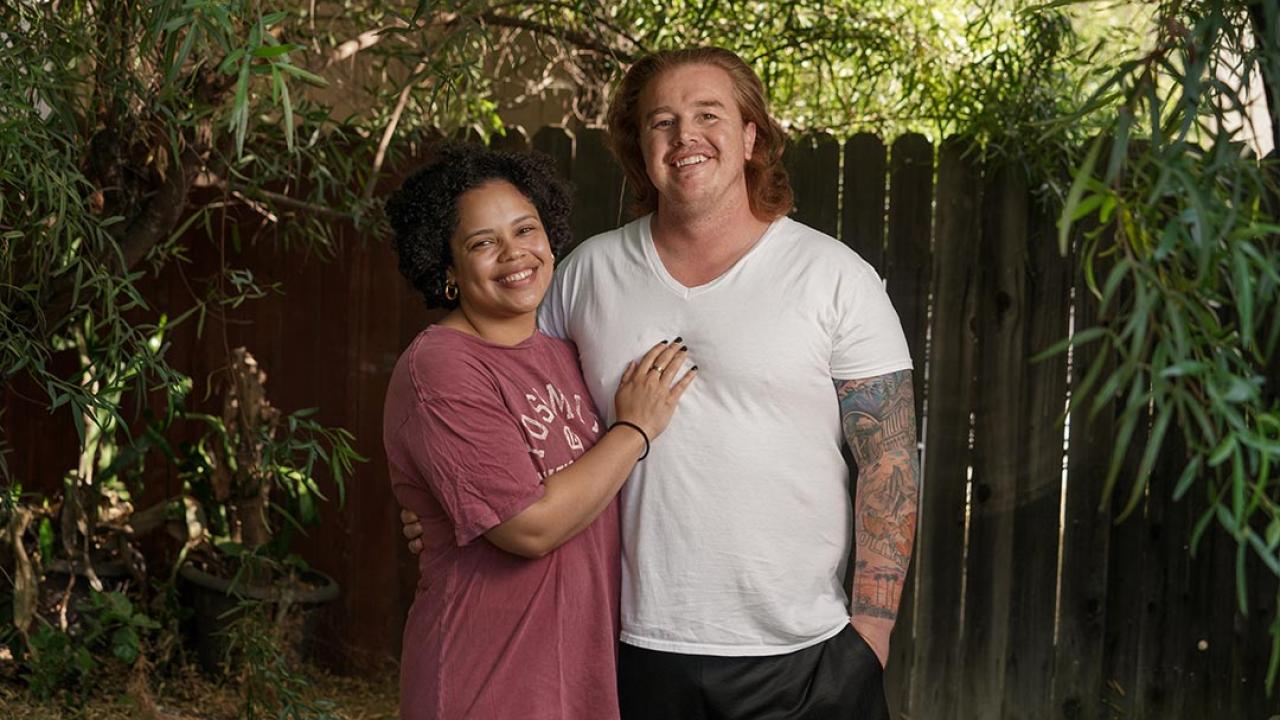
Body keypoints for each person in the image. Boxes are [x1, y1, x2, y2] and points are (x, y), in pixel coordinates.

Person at [403, 47, 919, 719]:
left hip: (804, 655)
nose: (685, 138)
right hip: (628, 648)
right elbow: (509, 406)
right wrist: (447, 509)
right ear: (638, 144)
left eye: (709, 115)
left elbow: (889, 459)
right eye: (662, 122)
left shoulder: (833, 277)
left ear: (750, 134)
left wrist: (870, 637)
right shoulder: (586, 275)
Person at [382, 143, 696, 720]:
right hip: (489, 679)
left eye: (525, 229)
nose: (514, 254)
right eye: (482, 243)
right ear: (447, 270)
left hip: (576, 672)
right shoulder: (441, 367)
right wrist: (634, 427)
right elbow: (528, 528)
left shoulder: (561, 352)